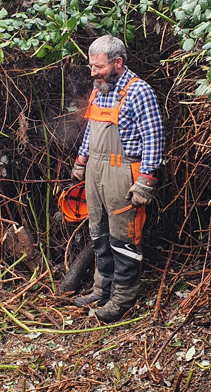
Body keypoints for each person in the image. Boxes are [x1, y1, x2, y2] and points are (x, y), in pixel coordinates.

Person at [70, 35, 164, 322]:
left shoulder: (139, 92)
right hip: (95, 171)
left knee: (124, 237)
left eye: (98, 67)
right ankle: (102, 289)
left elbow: (154, 138)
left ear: (118, 63)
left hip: (123, 172)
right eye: (91, 67)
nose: (93, 73)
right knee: (98, 232)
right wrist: (81, 160)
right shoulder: (100, 91)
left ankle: (122, 299)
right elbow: (91, 129)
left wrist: (146, 180)